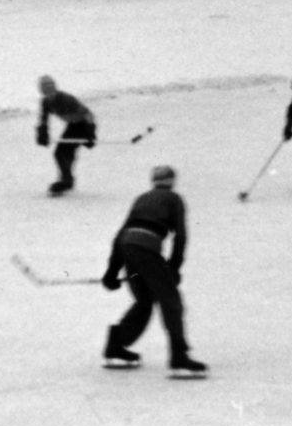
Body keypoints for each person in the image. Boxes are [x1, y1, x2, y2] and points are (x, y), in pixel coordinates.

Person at [101, 164, 208, 377]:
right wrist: (174, 267)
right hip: (147, 248)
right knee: (171, 301)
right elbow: (181, 236)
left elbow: (121, 234)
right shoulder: (174, 199)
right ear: (172, 180)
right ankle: (179, 357)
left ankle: (117, 345)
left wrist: (112, 270)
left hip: (128, 247)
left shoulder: (142, 198)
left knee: (145, 299)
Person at [36, 74, 97, 195]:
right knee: (61, 153)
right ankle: (67, 179)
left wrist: (90, 132)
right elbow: (44, 119)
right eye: (46, 89)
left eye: (51, 88)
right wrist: (42, 133)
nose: (50, 92)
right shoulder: (45, 102)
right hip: (72, 125)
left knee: (62, 152)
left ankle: (67, 180)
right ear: (42, 91)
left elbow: (88, 114)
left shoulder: (66, 99)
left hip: (83, 125)